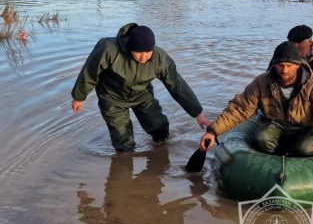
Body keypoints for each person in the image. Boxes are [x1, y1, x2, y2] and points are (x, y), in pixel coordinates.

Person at [199, 41, 313, 169]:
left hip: (308, 127)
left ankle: (310, 151)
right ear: (274, 65)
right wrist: (213, 131)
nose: (284, 70)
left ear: (298, 65)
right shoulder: (262, 82)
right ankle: (278, 160)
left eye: (289, 66)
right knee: (261, 139)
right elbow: (240, 109)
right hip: (278, 124)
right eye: (280, 65)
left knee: (306, 148)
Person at [71, 23, 210, 151]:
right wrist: (79, 96)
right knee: (123, 142)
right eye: (139, 52)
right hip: (112, 97)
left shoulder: (159, 58)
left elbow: (177, 85)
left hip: (142, 95)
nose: (143, 57)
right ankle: (124, 166)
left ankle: (159, 155)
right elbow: (89, 72)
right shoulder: (109, 49)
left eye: (148, 52)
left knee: (159, 128)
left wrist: (197, 113)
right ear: (130, 47)